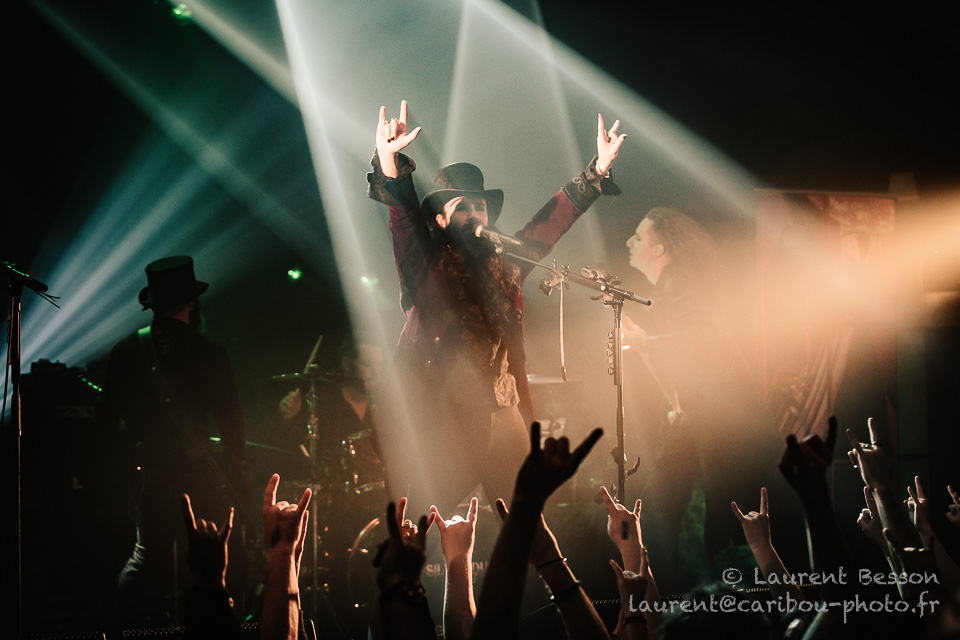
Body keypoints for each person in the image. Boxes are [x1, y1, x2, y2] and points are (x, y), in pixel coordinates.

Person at [366, 100, 625, 514]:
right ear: (440, 220)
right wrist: (388, 160)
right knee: (427, 520)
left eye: (480, 206)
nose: (474, 214)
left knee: (525, 520)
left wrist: (596, 171)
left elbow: (548, 225)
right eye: (462, 207)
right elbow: (404, 222)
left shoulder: (507, 263)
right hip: (444, 413)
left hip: (502, 407)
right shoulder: (425, 265)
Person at [623, 208, 778, 592]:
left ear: (659, 249)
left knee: (677, 506)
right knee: (666, 502)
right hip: (705, 414)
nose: (629, 242)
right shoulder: (672, 285)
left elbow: (702, 340)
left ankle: (678, 598)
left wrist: (646, 342)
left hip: (721, 416)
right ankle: (689, 593)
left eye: (638, 237)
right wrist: (677, 405)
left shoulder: (680, 283)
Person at [98, 255, 248, 622]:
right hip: (201, 476)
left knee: (146, 558)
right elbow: (232, 424)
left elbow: (105, 423)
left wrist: (127, 468)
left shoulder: (125, 351)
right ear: (192, 301)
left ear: (152, 303)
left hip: (150, 475)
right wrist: (236, 470)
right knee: (217, 559)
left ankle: (117, 627)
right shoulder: (208, 352)